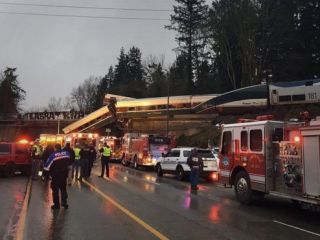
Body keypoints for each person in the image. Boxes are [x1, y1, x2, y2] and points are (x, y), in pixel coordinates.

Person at [44, 144, 70, 210]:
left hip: (56, 175)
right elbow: (69, 161)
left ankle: (56, 205)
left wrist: (46, 174)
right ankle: (64, 202)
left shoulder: (53, 155)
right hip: (64, 174)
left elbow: (47, 166)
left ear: (55, 148)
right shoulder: (66, 153)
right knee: (63, 188)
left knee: (55, 190)